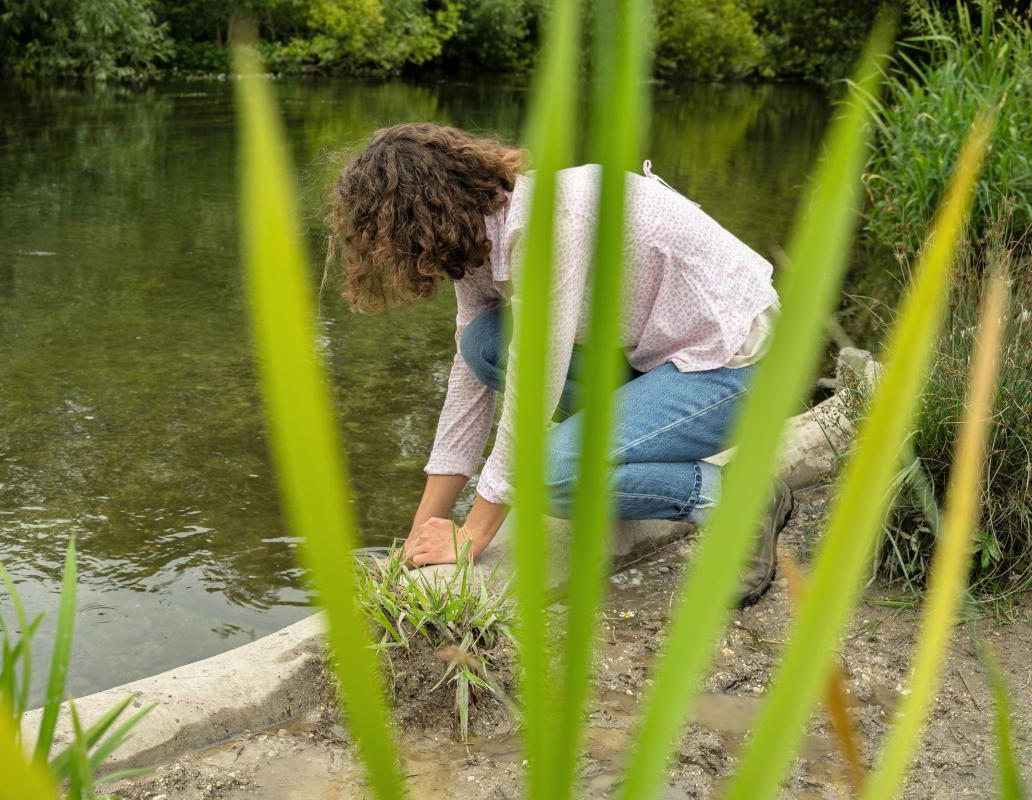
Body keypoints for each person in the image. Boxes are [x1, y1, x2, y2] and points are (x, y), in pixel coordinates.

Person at [326, 122, 792, 606]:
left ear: (421, 219)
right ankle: (617, 464)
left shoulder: (546, 225)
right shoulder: (478, 239)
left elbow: (533, 393)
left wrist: (472, 537)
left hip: (738, 368)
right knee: (483, 345)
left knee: (546, 474)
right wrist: (416, 541)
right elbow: (469, 386)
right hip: (665, 360)